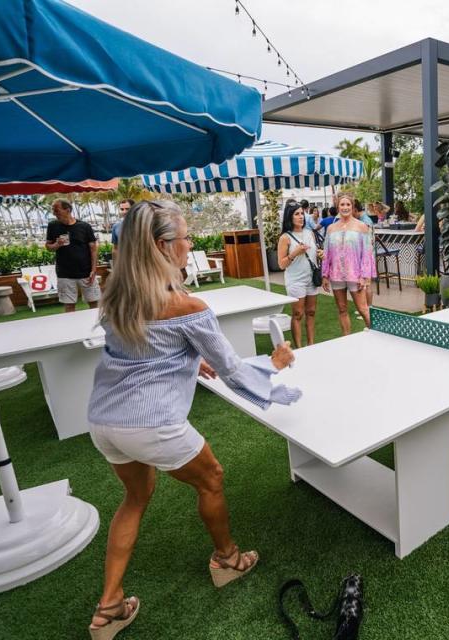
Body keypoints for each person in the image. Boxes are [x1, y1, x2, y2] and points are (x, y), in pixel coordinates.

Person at [85, 200, 300, 639]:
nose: (189, 245)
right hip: (152, 424)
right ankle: (227, 559)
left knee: (135, 498)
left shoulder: (115, 298)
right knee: (212, 478)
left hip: (104, 422)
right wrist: (275, 364)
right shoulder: (185, 305)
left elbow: (140, 354)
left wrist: (187, 363)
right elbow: (235, 372)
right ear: (164, 246)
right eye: (185, 238)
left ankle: (108, 607)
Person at [322, 193, 375, 334]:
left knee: (363, 308)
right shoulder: (331, 228)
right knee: (342, 309)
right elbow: (327, 253)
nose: (345, 207)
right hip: (336, 274)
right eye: (342, 204)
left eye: (348, 204)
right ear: (337, 206)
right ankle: (346, 339)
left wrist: (364, 276)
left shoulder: (362, 226)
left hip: (355, 274)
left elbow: (367, 253)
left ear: (352, 206)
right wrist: (325, 275)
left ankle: (377, 334)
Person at [277, 201, 322, 347]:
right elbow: (281, 264)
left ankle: (311, 344)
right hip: (295, 280)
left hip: (311, 278)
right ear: (290, 217)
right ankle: (299, 348)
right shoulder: (285, 237)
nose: (301, 217)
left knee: (311, 312)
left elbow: (313, 255)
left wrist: (320, 253)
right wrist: (295, 253)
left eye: (302, 213)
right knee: (298, 314)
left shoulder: (310, 233)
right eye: (297, 214)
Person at [45, 199, 100, 313]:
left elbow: (93, 249)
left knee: (94, 303)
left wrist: (93, 270)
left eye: (57, 210)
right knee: (69, 306)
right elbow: (48, 247)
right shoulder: (52, 225)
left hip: (86, 272)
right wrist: (57, 244)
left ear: (67, 210)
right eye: (53, 210)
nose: (54, 213)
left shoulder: (84, 226)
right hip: (65, 274)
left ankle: (97, 328)